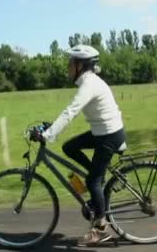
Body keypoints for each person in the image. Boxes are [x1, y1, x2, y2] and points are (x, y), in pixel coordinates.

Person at [37, 44, 127, 246]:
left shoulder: (89, 84)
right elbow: (70, 112)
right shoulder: (88, 81)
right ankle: (97, 177)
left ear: (81, 65)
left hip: (109, 135)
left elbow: (71, 111)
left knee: (93, 181)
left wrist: (48, 135)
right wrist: (50, 128)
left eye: (71, 63)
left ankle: (101, 228)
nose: (68, 67)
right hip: (102, 132)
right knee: (69, 147)